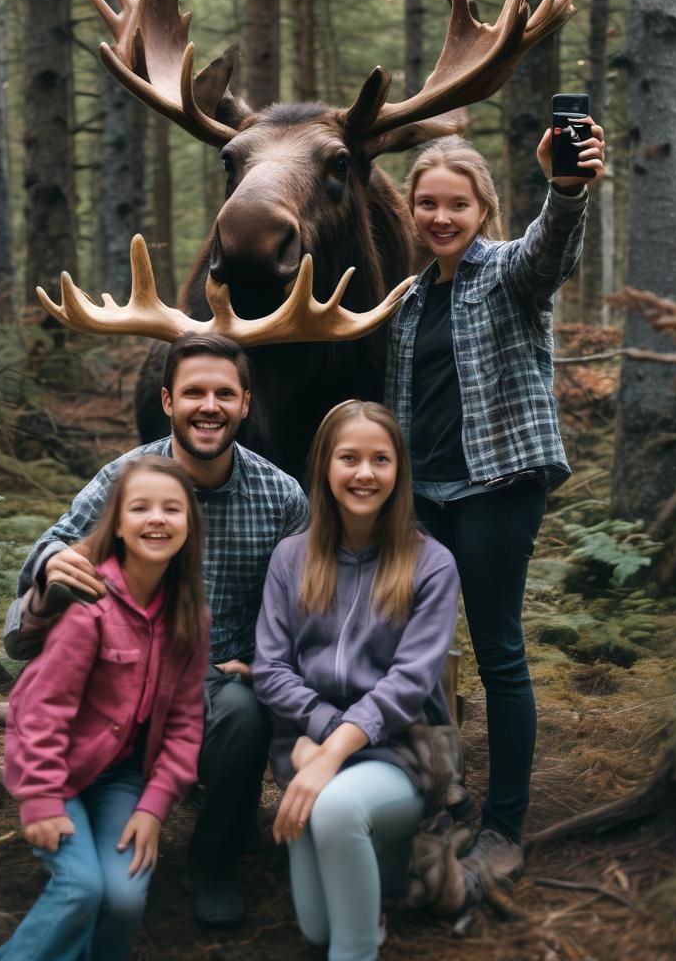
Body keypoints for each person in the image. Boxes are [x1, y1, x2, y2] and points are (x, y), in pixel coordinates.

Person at [4, 334, 308, 929]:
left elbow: (304, 601)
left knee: (246, 713)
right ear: (167, 400)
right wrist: (52, 564)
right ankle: (76, 821)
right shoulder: (126, 477)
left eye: (225, 394)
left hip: (217, 679)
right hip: (122, 671)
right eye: (194, 393)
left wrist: (272, 660)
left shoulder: (281, 496)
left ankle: (214, 860)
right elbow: (48, 550)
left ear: (246, 403)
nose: (209, 407)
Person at [384, 123, 606, 886]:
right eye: (428, 204)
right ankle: (444, 795)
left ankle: (505, 828)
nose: (441, 217)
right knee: (411, 651)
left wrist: (566, 190)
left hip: (498, 487)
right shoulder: (409, 301)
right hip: (424, 496)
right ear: (411, 210)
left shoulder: (508, 272)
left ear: (483, 209)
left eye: (457, 204)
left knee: (499, 652)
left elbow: (551, 252)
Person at [253, 400, 460, 961]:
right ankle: (368, 904)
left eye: (380, 459)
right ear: (325, 465)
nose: (364, 473)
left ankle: (361, 945)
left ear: (399, 471)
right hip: (307, 754)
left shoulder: (432, 564)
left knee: (337, 809)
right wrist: (323, 737)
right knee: (317, 929)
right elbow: (270, 668)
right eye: (349, 458)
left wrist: (329, 751)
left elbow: (408, 683)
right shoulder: (290, 557)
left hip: (402, 754)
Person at [0, 456, 208, 961]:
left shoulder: (189, 615)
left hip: (118, 779)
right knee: (80, 889)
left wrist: (154, 806)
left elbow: (185, 722)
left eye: (172, 509)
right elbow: (40, 708)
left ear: (190, 526)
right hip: (57, 773)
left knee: (125, 895)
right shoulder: (90, 604)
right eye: (140, 508)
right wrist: (41, 798)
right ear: (118, 524)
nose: (156, 519)